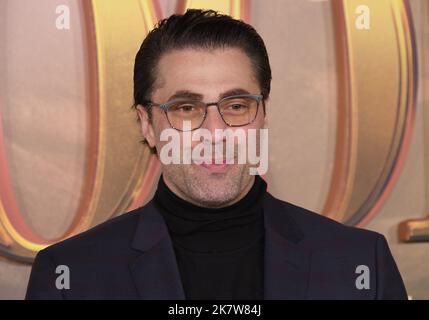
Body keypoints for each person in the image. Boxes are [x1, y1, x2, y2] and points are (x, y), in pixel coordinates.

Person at [26, 9, 407, 300]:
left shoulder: (360, 264)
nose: (215, 133)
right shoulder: (69, 276)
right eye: (186, 108)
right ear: (147, 123)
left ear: (262, 113)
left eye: (237, 105)